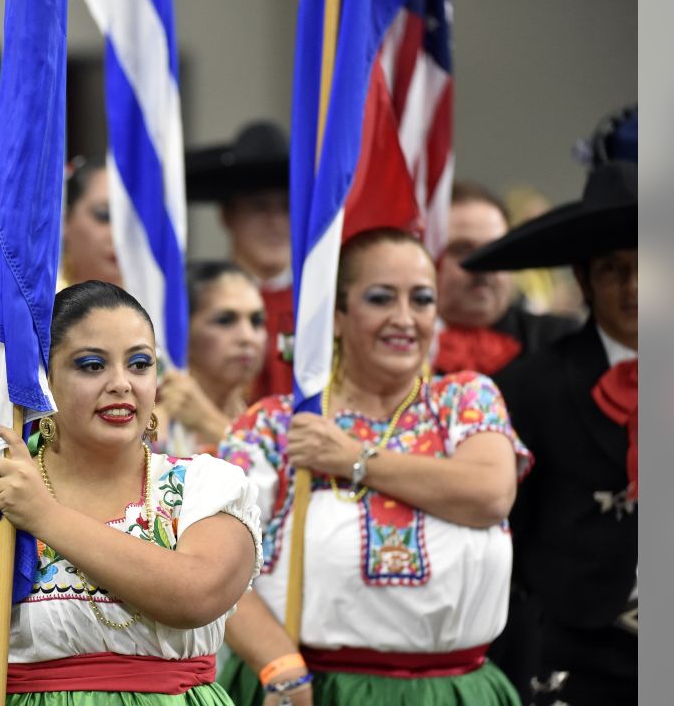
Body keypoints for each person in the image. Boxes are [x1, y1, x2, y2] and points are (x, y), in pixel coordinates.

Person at [0, 280, 262, 705]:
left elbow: (196, 595)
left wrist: (45, 517)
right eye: (92, 365)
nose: (121, 383)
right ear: (43, 380)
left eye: (140, 364)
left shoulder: (207, 487)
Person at [218, 227, 531, 706]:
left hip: (455, 691)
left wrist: (352, 459)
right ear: (338, 315)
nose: (404, 318)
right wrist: (280, 666)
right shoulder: (278, 425)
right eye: (381, 298)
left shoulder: (464, 399)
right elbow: (220, 568)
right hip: (315, 689)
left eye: (422, 299)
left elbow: (489, 495)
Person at [462, 160, 638, 706]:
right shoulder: (529, 386)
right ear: (583, 279)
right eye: (613, 269)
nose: (635, 287)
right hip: (575, 653)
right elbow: (501, 530)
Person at [0, 157, 119, 414]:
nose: (118, 234)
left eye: (132, 222)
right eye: (104, 216)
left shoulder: (161, 312)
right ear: (65, 221)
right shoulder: (32, 310)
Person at [186, 121, 293, 403]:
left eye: (287, 207)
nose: (276, 222)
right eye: (259, 207)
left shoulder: (323, 304)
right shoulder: (192, 298)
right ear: (228, 215)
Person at [433, 181, 577, 376]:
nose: (482, 265)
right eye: (462, 250)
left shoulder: (561, 340)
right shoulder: (399, 347)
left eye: (494, 250)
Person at [155, 261, 266, 456]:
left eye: (256, 321)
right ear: (182, 331)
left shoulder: (274, 426)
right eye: (225, 320)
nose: (247, 337)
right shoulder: (151, 432)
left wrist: (206, 419)